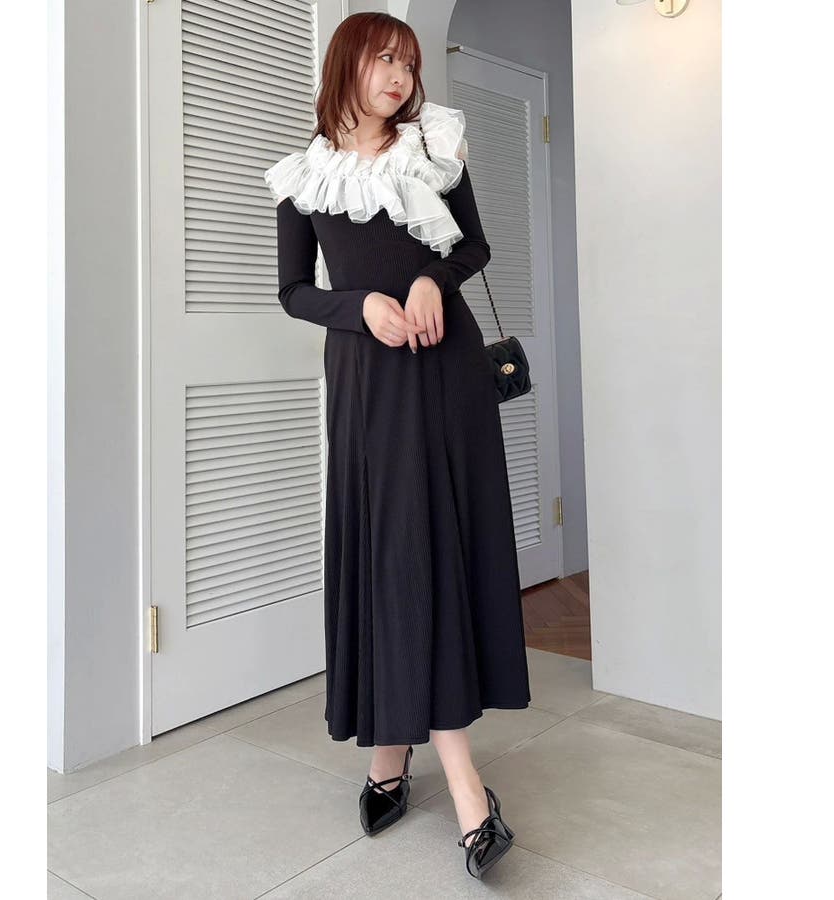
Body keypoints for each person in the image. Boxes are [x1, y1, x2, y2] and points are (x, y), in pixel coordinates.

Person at [263, 11, 529, 879]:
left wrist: (427, 277)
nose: (401, 77)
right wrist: (359, 307)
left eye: (409, 64)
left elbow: (474, 245)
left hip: (446, 374)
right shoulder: (305, 175)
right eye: (385, 60)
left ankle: (447, 777)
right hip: (367, 381)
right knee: (386, 552)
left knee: (431, 551)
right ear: (347, 65)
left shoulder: (435, 147)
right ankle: (396, 748)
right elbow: (294, 291)